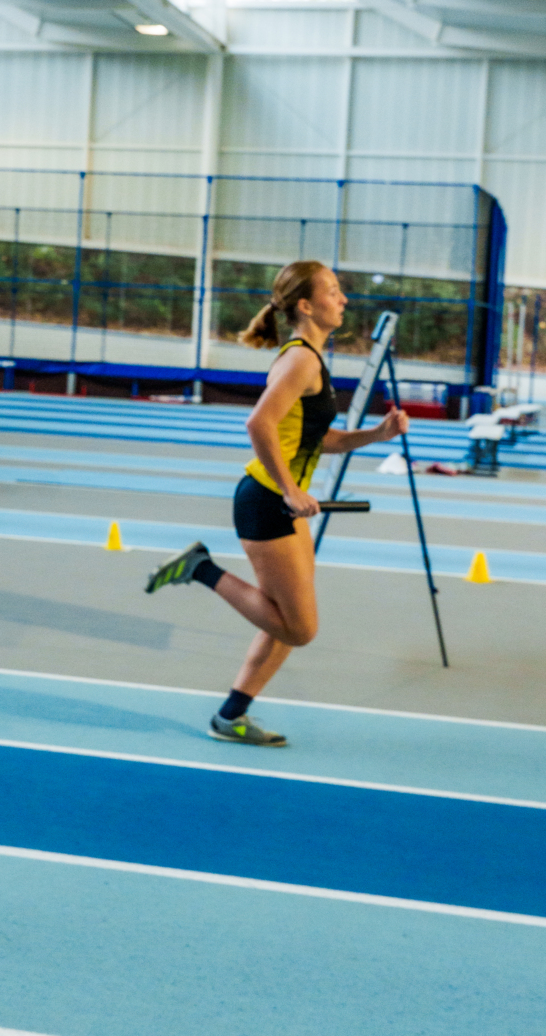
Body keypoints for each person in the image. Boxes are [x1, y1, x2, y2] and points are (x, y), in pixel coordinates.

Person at [144, 260, 409, 747]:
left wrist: (376, 434)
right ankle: (200, 568)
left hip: (280, 501)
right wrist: (290, 490)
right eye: (333, 290)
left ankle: (231, 716)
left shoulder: (311, 360)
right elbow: (258, 424)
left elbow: (319, 439)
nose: (344, 299)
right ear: (306, 305)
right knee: (300, 630)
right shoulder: (301, 360)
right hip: (268, 501)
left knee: (284, 619)